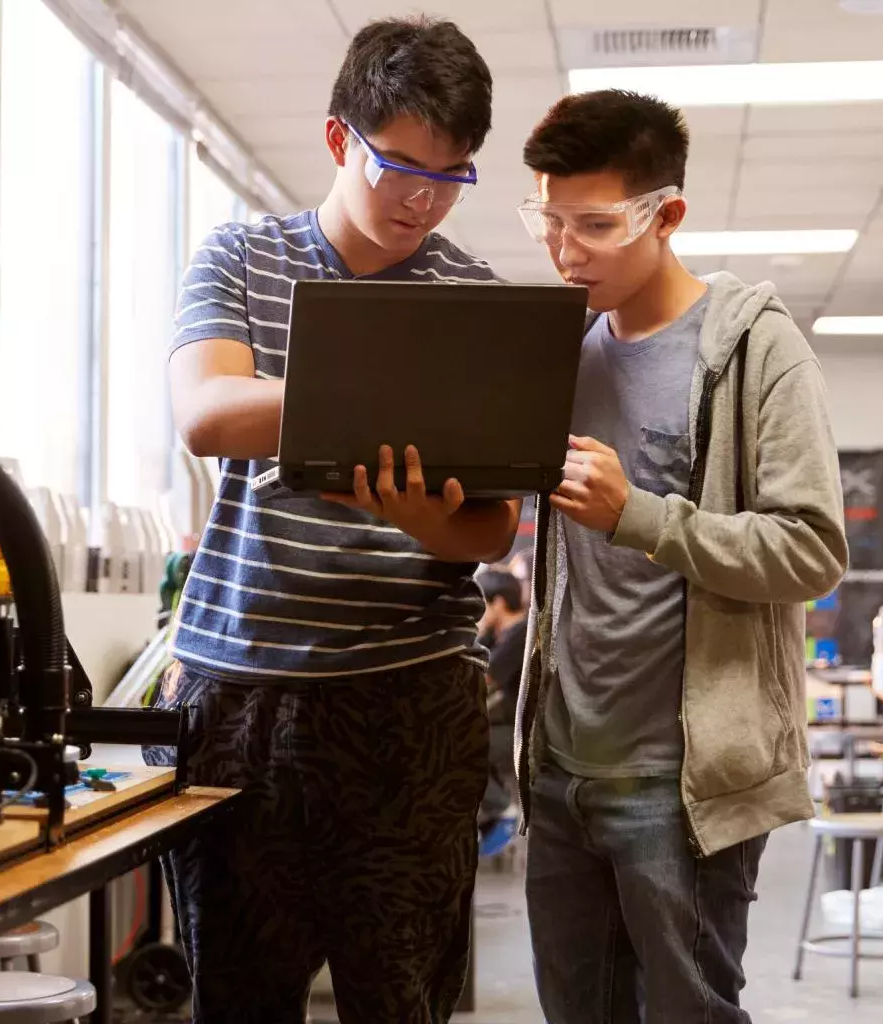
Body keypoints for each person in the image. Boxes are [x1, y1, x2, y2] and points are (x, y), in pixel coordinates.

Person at [154, 17, 517, 1024]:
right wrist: (376, 382)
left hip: (412, 703)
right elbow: (207, 414)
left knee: (402, 1000)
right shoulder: (239, 257)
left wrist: (416, 516)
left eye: (453, 175)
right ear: (336, 140)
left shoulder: (470, 300)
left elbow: (488, 531)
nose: (422, 198)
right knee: (238, 997)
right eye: (398, 164)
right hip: (241, 702)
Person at [511, 89, 849, 1023]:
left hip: (684, 783)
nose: (565, 248)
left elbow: (814, 548)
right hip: (561, 767)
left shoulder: (756, 350)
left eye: (594, 223)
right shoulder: (566, 354)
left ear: (667, 215)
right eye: (548, 220)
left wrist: (644, 516)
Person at [476, 567, 528, 850]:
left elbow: (483, 674)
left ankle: (503, 809)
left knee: (465, 745)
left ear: (497, 603)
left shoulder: (520, 632)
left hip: (524, 733)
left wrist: (481, 631)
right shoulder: (504, 635)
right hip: (507, 725)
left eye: (482, 605)